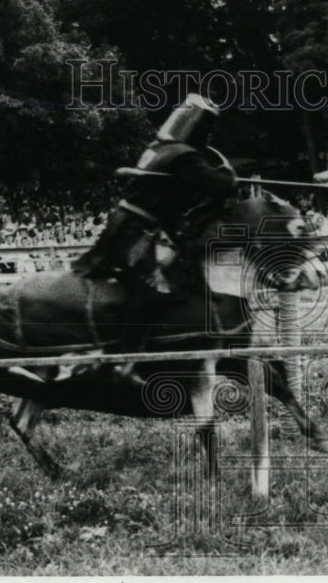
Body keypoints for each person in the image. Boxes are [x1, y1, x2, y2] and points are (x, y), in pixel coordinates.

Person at [70, 94, 238, 381]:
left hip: (134, 226)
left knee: (182, 279)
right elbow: (220, 186)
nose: (208, 135)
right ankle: (125, 358)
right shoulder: (182, 156)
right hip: (135, 232)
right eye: (206, 129)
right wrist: (228, 176)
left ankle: (172, 341)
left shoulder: (159, 150)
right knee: (150, 287)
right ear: (196, 127)